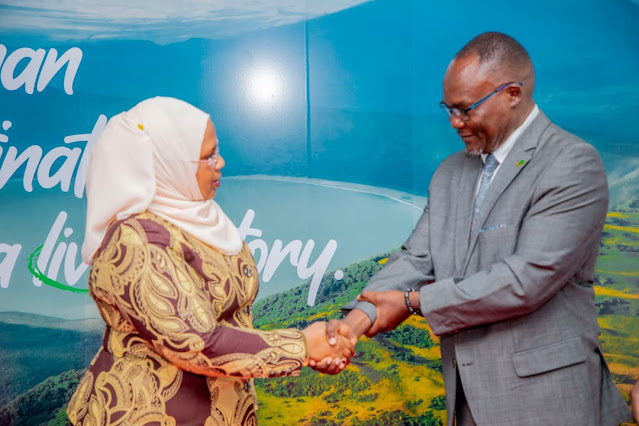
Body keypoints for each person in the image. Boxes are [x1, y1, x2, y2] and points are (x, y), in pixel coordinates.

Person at [321, 32, 632, 425]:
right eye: (448, 109)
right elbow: (416, 258)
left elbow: (525, 281)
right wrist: (354, 322)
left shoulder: (571, 163)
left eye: (466, 109)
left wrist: (415, 302)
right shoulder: (450, 172)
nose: (455, 122)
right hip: (470, 401)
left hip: (550, 403)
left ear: (513, 93)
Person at [67, 97, 353, 425]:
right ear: (167, 163)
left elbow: (229, 319)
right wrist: (302, 346)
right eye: (208, 156)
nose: (221, 163)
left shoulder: (198, 217)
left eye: (216, 152)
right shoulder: (137, 241)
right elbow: (196, 342)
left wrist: (315, 349)